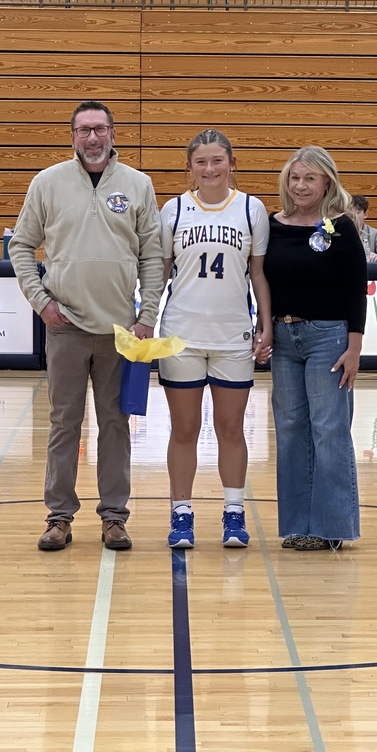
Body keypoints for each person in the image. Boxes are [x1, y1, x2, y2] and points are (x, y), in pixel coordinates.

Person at [9, 100, 164, 552]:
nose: (92, 138)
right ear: (72, 136)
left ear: (113, 134)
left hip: (121, 333)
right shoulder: (47, 182)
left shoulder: (138, 184)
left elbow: (152, 256)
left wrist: (146, 317)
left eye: (99, 129)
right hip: (66, 328)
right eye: (83, 130)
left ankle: (114, 517)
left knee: (115, 425)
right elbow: (21, 246)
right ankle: (59, 517)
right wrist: (41, 301)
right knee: (64, 425)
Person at [158, 129, 272, 550]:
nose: (210, 169)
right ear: (189, 168)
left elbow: (258, 273)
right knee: (183, 429)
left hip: (232, 336)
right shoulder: (172, 210)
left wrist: (266, 323)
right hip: (180, 336)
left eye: (217, 160)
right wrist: (145, 319)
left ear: (232, 164)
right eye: (201, 162)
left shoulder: (251, 209)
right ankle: (182, 514)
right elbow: (161, 272)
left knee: (231, 429)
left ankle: (234, 512)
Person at [263, 146, 367, 552]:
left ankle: (334, 527)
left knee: (329, 431)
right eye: (294, 177)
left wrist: (354, 347)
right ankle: (298, 524)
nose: (301, 185)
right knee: (290, 433)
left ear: (327, 182)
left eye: (309, 178)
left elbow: (356, 290)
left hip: (329, 338)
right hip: (285, 339)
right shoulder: (272, 225)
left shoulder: (340, 228)